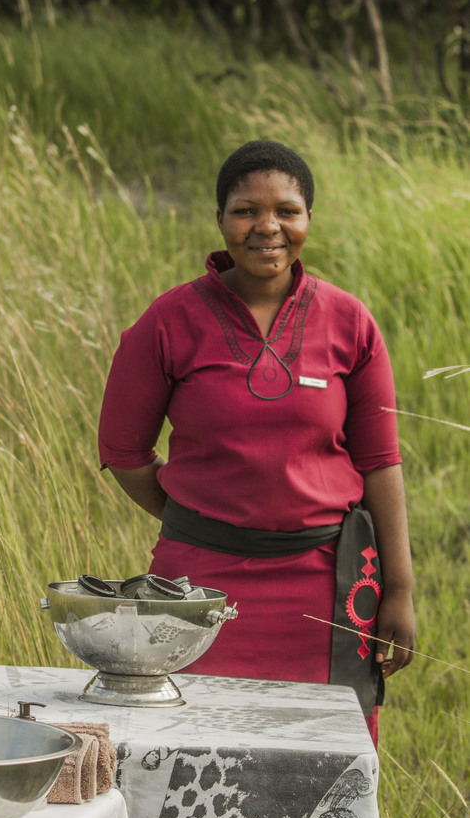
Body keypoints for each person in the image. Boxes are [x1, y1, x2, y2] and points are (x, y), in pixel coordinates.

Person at [97, 140, 415, 743]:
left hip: (329, 586)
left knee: (323, 768)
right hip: (199, 589)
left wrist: (398, 590)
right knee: (189, 758)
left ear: (307, 221)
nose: (267, 227)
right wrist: (193, 517)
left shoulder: (351, 323)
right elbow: (122, 452)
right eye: (246, 210)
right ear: (220, 220)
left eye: (287, 211)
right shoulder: (168, 322)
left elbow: (380, 464)